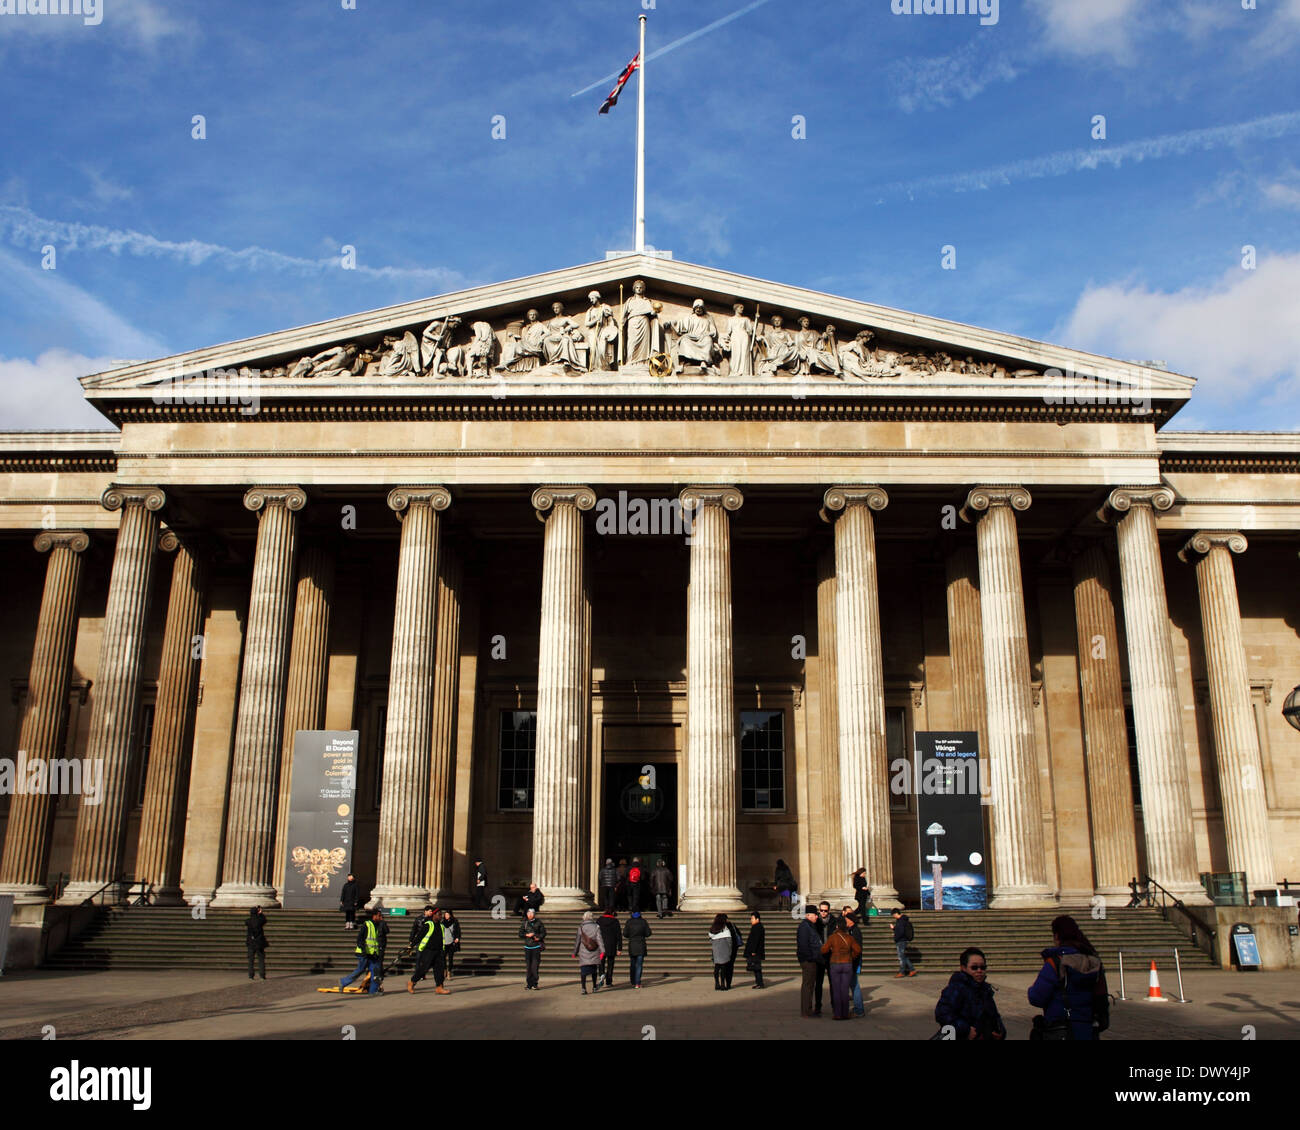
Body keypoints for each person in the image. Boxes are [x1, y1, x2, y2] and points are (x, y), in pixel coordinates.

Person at [1028, 915, 1106, 1041]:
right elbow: (1101, 997)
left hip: (1060, 1028)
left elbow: (1037, 997)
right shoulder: (1094, 962)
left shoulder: (1056, 962)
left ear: (1057, 936)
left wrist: (1030, 990)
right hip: (1087, 1028)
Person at [935, 947, 1005, 1040]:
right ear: (963, 968)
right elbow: (942, 1014)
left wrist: (1001, 1031)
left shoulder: (985, 989)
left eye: (983, 967)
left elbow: (994, 1015)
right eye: (974, 967)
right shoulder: (956, 988)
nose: (979, 971)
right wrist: (966, 1030)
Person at [821, 914, 862, 1020]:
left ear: (837, 927)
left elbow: (824, 950)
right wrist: (850, 956)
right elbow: (858, 950)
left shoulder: (832, 937)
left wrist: (832, 952)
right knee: (844, 990)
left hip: (835, 964)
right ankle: (845, 1013)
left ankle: (838, 1013)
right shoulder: (850, 938)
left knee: (836, 990)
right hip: (847, 964)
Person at [407, 906, 450, 995]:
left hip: (438, 951)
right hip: (428, 951)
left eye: (441, 915)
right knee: (423, 969)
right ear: (434, 915)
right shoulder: (428, 924)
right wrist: (411, 945)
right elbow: (420, 936)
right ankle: (412, 982)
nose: (441, 916)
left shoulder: (441, 926)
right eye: (439, 914)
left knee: (439, 970)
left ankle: (439, 987)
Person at [340, 909, 383, 995]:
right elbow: (360, 939)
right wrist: (363, 951)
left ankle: (373, 991)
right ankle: (344, 982)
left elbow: (374, 942)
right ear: (374, 916)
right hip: (363, 953)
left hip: (372, 954)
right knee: (360, 969)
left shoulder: (377, 926)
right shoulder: (367, 925)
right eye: (379, 916)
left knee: (376, 971)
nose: (381, 918)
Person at [796, 906, 824, 1018]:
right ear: (808, 915)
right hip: (808, 961)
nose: (817, 916)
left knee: (809, 985)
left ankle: (807, 1010)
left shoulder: (809, 926)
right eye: (815, 914)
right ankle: (806, 1011)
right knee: (808, 985)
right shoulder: (805, 927)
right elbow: (803, 945)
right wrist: (811, 957)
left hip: (811, 959)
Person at [573, 911, 605, 994]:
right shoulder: (596, 927)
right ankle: (594, 987)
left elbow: (578, 941)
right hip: (594, 951)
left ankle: (583, 988)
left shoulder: (581, 927)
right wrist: (603, 950)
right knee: (594, 971)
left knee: (583, 971)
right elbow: (599, 939)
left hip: (584, 952)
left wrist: (575, 952)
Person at [842, 906, 865, 1017]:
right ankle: (857, 1009)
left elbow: (857, 949)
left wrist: (851, 960)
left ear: (850, 921)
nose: (845, 921)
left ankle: (859, 1010)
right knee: (853, 985)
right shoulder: (852, 930)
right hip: (852, 962)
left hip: (852, 963)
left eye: (846, 920)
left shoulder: (855, 932)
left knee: (854, 986)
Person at [815, 901, 838, 1011]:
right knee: (818, 983)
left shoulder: (834, 921)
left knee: (832, 982)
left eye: (825, 911)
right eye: (821, 910)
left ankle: (834, 1005)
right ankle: (818, 1006)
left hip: (830, 955)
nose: (823, 913)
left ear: (829, 911)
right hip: (820, 956)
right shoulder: (815, 922)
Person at [518, 907, 546, 990]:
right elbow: (520, 933)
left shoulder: (539, 922)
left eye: (531, 913)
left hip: (536, 946)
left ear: (534, 914)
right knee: (528, 966)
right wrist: (527, 935)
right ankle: (529, 984)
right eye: (528, 913)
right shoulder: (525, 923)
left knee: (535, 965)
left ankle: (535, 983)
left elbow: (543, 932)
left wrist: (539, 937)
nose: (530, 915)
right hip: (527, 946)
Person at [624, 909, 651, 988]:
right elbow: (648, 933)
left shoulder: (629, 922)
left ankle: (632, 981)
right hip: (641, 945)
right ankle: (637, 983)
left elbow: (625, 934)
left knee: (632, 964)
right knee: (639, 965)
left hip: (632, 945)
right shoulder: (643, 922)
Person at [709, 914, 734, 991]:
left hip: (716, 949)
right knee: (723, 968)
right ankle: (723, 984)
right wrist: (730, 950)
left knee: (716, 967)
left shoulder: (713, 928)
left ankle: (717, 983)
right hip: (724, 950)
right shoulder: (725, 928)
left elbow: (710, 938)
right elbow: (729, 941)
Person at [597, 909, 621, 987]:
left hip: (601, 946)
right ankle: (609, 981)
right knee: (610, 963)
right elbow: (619, 935)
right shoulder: (615, 921)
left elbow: (596, 933)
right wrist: (619, 948)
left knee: (601, 962)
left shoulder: (599, 920)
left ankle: (601, 974)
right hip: (611, 945)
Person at [245, 906, 268, 981]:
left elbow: (247, 922)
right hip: (259, 943)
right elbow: (264, 920)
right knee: (261, 959)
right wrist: (261, 914)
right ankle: (262, 975)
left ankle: (251, 975)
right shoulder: (260, 920)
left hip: (251, 943)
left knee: (251, 960)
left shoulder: (248, 921)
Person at [892, 908, 916, 977]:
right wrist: (894, 929)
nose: (894, 916)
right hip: (903, 940)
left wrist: (896, 937)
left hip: (901, 940)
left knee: (901, 957)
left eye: (893, 915)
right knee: (903, 956)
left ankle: (902, 972)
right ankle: (912, 969)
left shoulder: (901, 921)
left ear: (896, 914)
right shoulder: (902, 920)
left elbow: (901, 932)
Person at [744, 911, 766, 989]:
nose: (751, 920)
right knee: (756, 968)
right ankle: (758, 983)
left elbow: (755, 940)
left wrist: (753, 951)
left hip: (756, 952)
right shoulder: (757, 927)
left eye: (752, 918)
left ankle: (760, 983)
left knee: (757, 968)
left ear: (757, 919)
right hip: (757, 951)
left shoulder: (757, 927)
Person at [440, 909, 461, 979]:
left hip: (451, 942)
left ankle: (449, 972)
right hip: (444, 942)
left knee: (450, 958)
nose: (446, 916)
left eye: (447, 915)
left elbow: (458, 930)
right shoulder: (442, 922)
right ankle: (444, 970)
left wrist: (457, 938)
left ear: (450, 915)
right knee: (443, 958)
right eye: (445, 915)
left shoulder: (455, 922)